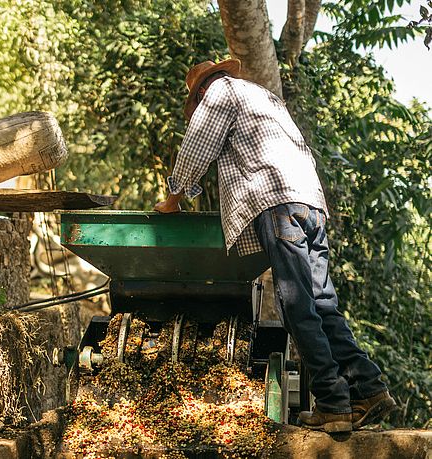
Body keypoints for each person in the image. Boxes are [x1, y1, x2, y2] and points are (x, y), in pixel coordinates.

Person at [154, 59, 396, 433]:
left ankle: (334, 404)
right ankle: (369, 387)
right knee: (321, 303)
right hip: (310, 205)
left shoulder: (221, 92)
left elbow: (197, 147)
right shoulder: (265, 97)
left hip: (278, 205)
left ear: (201, 91)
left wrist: (172, 199)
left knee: (296, 306)